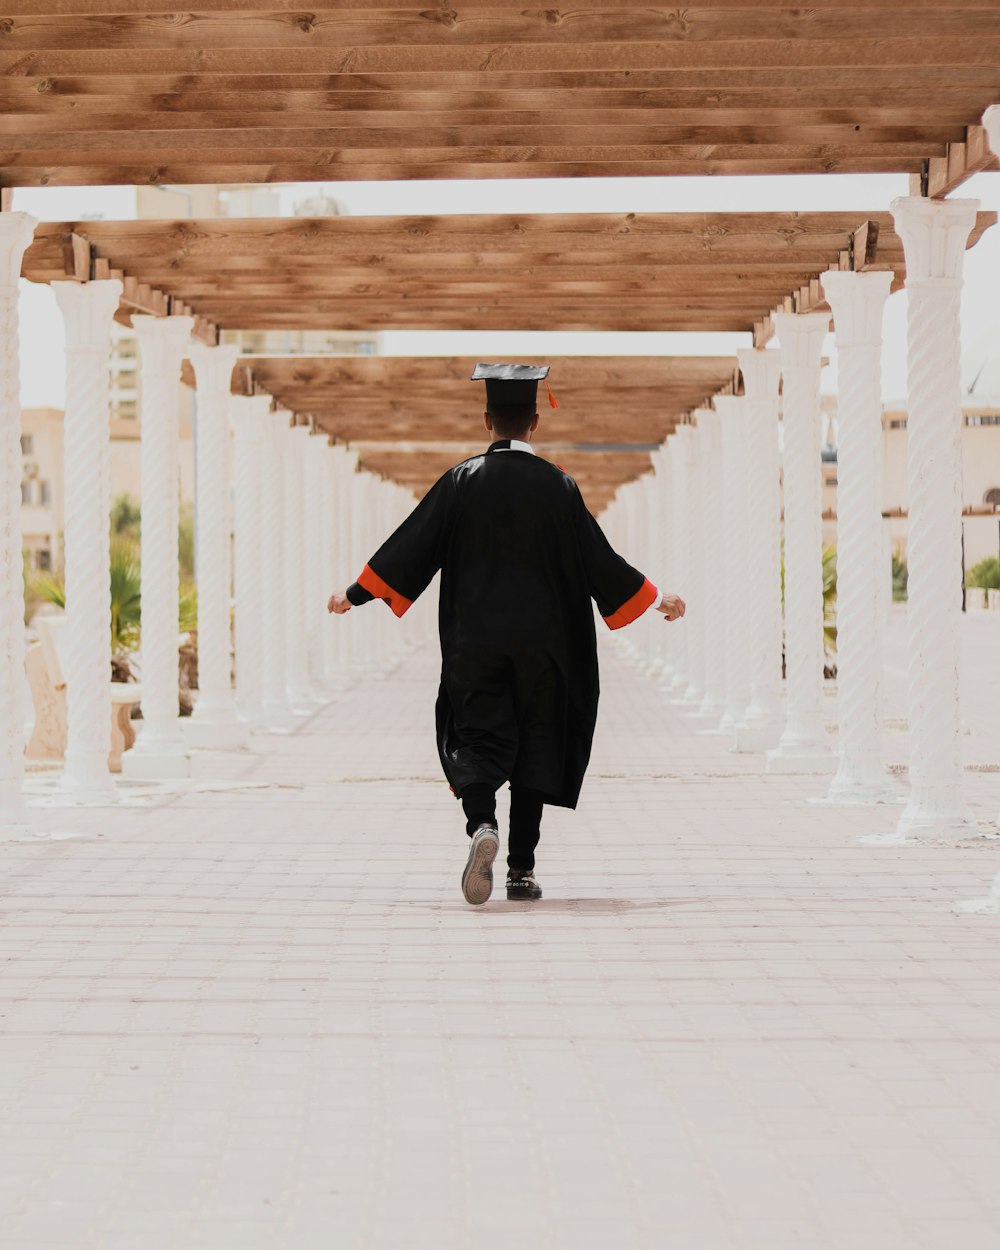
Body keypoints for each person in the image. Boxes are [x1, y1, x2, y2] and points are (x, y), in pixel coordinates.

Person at [328, 363, 685, 905]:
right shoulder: (558, 487)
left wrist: (355, 593)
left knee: (475, 735)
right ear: (535, 422)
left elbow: (412, 545)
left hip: (476, 643)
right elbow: (599, 561)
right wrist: (659, 597)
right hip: (546, 647)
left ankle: (480, 826)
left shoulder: (460, 481)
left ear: (487, 419)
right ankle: (520, 870)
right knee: (536, 745)